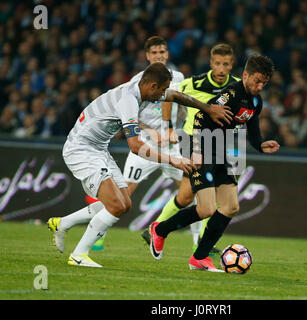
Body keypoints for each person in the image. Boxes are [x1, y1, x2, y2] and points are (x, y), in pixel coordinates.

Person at [47, 62, 233, 268]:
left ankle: (62, 224)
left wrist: (207, 108)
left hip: (98, 149)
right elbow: (136, 146)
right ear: (152, 86)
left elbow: (175, 96)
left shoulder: (143, 90)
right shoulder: (128, 100)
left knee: (124, 203)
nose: (163, 95)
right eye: (161, 89)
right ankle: (79, 254)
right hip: (81, 150)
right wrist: (174, 160)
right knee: (116, 205)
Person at [149, 55, 280, 271]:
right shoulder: (230, 95)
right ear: (245, 75)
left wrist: (261, 145)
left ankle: (199, 258)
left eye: (264, 83)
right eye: (256, 80)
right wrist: (198, 151)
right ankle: (160, 230)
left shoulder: (256, 101)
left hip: (221, 151)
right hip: (202, 147)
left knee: (230, 206)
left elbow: (252, 126)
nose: (259, 86)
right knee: (207, 208)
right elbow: (201, 116)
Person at [141, 43, 240, 254]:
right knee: (209, 196)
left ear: (232, 65)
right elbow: (169, 95)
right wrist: (167, 126)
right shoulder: (193, 83)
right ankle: (202, 243)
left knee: (186, 196)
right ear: (211, 63)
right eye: (217, 63)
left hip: (222, 144)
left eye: (226, 64)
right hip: (193, 142)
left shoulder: (238, 85)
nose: (221, 69)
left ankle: (156, 228)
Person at [91, 36, 185, 251]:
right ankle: (97, 233)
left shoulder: (178, 77)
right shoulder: (137, 81)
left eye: (162, 51)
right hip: (145, 145)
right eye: (155, 52)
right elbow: (129, 114)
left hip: (172, 146)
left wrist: (178, 124)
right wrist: (151, 129)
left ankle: (199, 245)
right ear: (147, 56)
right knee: (123, 195)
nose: (159, 55)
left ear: (167, 54)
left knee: (191, 192)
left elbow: (179, 104)